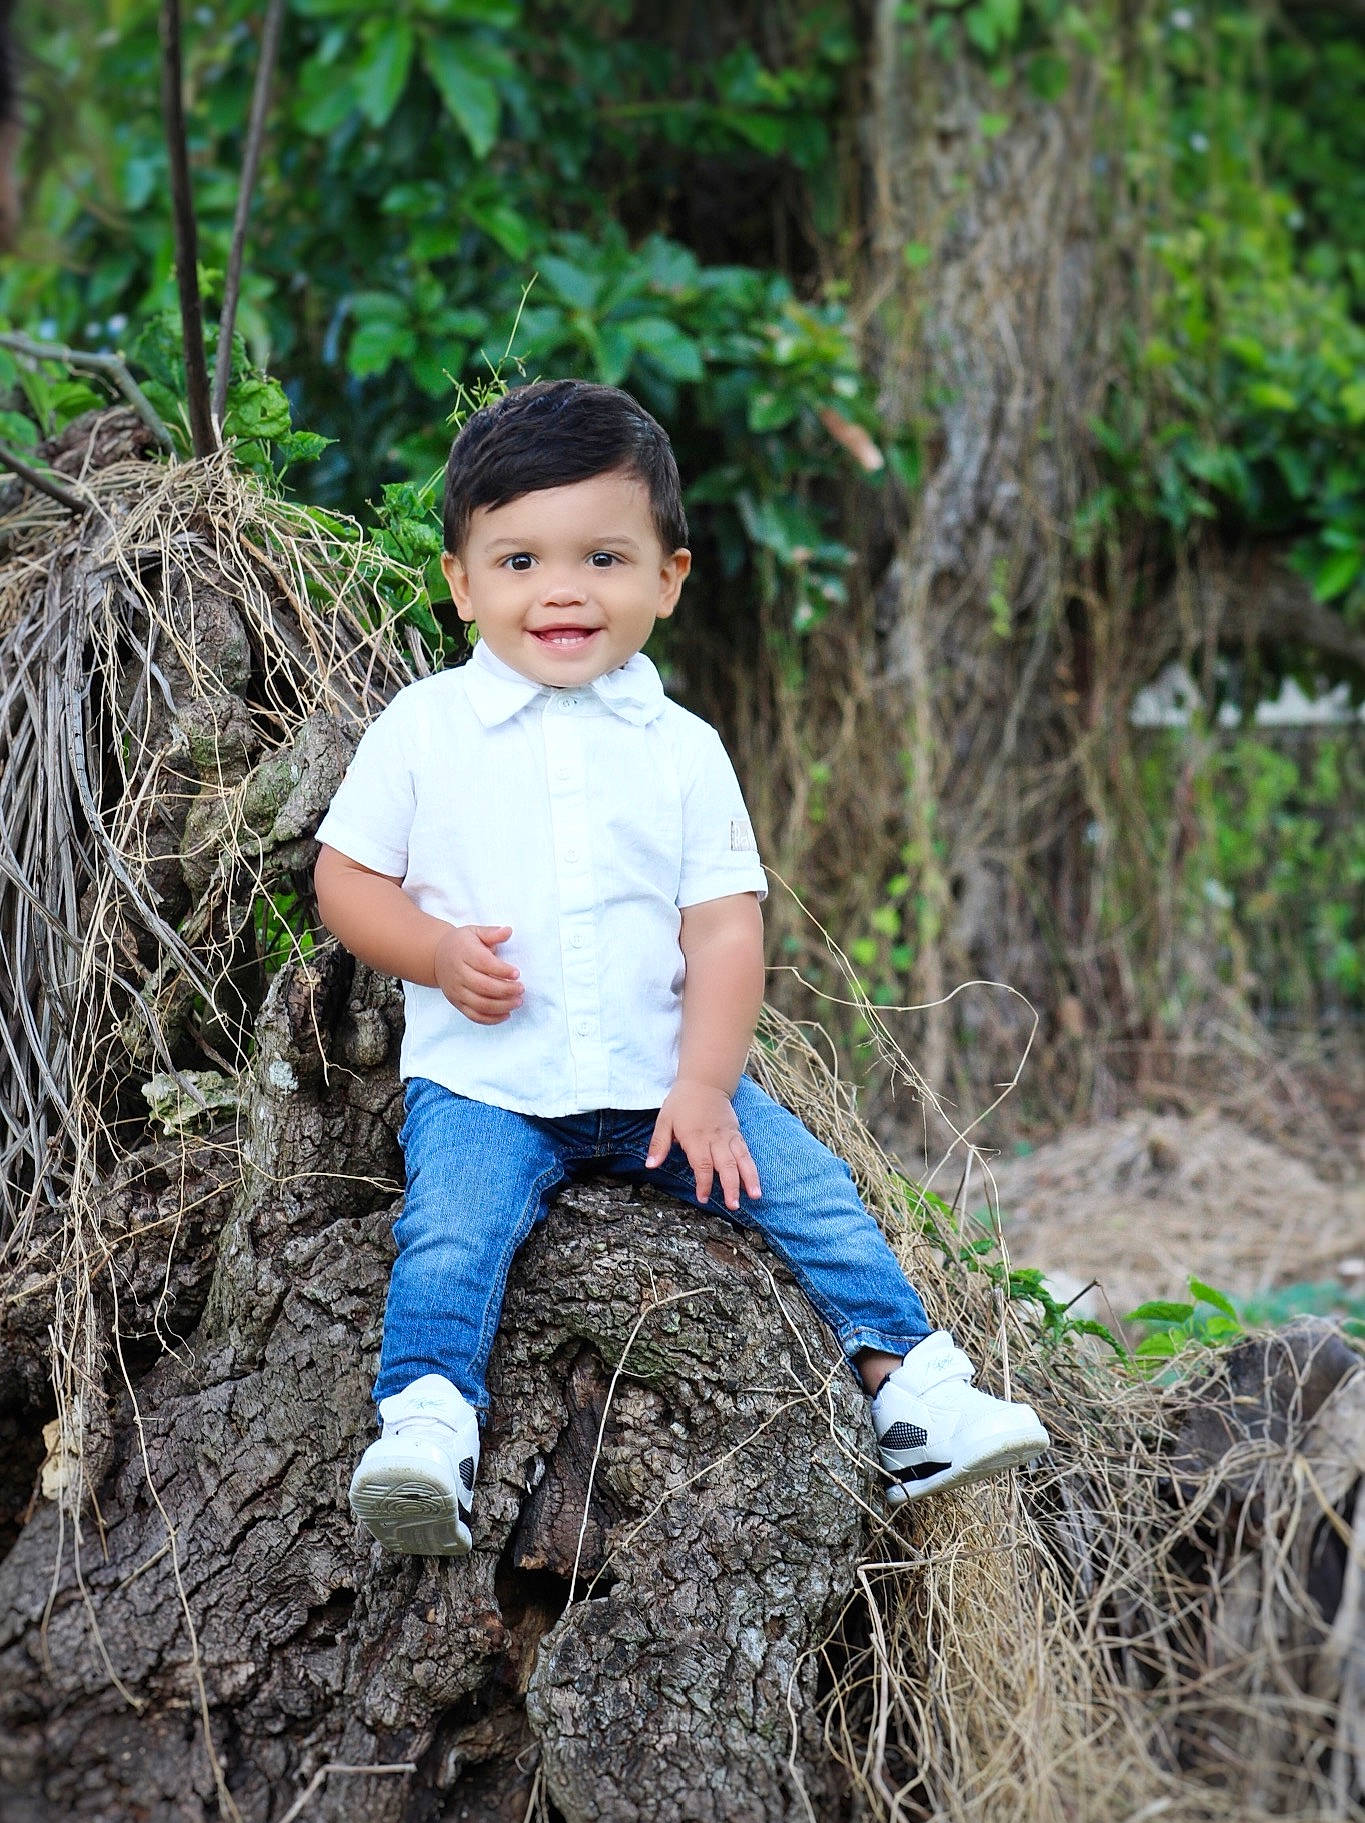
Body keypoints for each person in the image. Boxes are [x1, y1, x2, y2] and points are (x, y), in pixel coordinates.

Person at [313, 379, 1049, 1557]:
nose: (561, 589)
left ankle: (912, 1387)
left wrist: (706, 1084)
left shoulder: (682, 750)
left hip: (664, 1082)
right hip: (490, 1085)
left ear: (668, 577)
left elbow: (724, 928)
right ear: (459, 583)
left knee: (812, 1197)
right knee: (449, 1231)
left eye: (603, 556)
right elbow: (346, 883)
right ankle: (427, 1424)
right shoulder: (424, 728)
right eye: (517, 561)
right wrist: (435, 953)